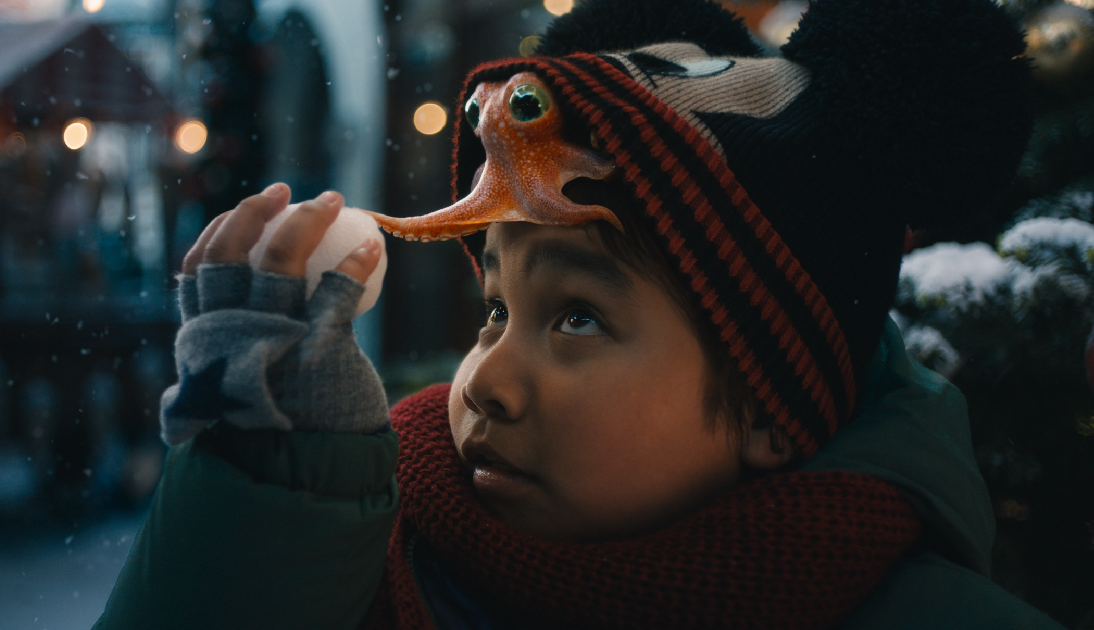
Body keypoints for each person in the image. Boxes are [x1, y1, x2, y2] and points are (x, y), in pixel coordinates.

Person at [95, 0, 1067, 627]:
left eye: (578, 321)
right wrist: (265, 489)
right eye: (493, 309)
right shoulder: (363, 560)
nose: (487, 383)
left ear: (775, 405)